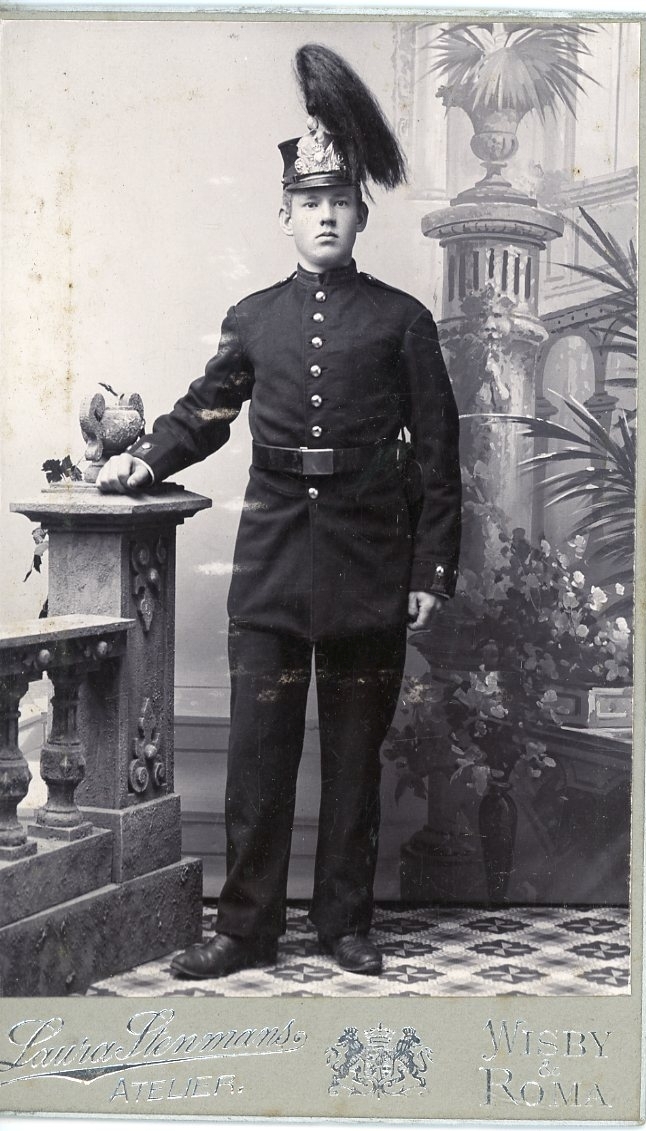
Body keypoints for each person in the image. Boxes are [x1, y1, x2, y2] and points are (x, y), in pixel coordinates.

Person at [97, 44, 461, 979]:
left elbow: (439, 454)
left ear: (360, 212)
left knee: (352, 756)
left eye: (339, 200)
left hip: (370, 559)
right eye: (309, 202)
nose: (325, 215)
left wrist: (428, 570)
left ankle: (345, 923)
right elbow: (204, 412)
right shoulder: (254, 317)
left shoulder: (402, 321)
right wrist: (143, 458)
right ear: (284, 215)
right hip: (270, 561)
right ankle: (246, 927)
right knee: (258, 755)